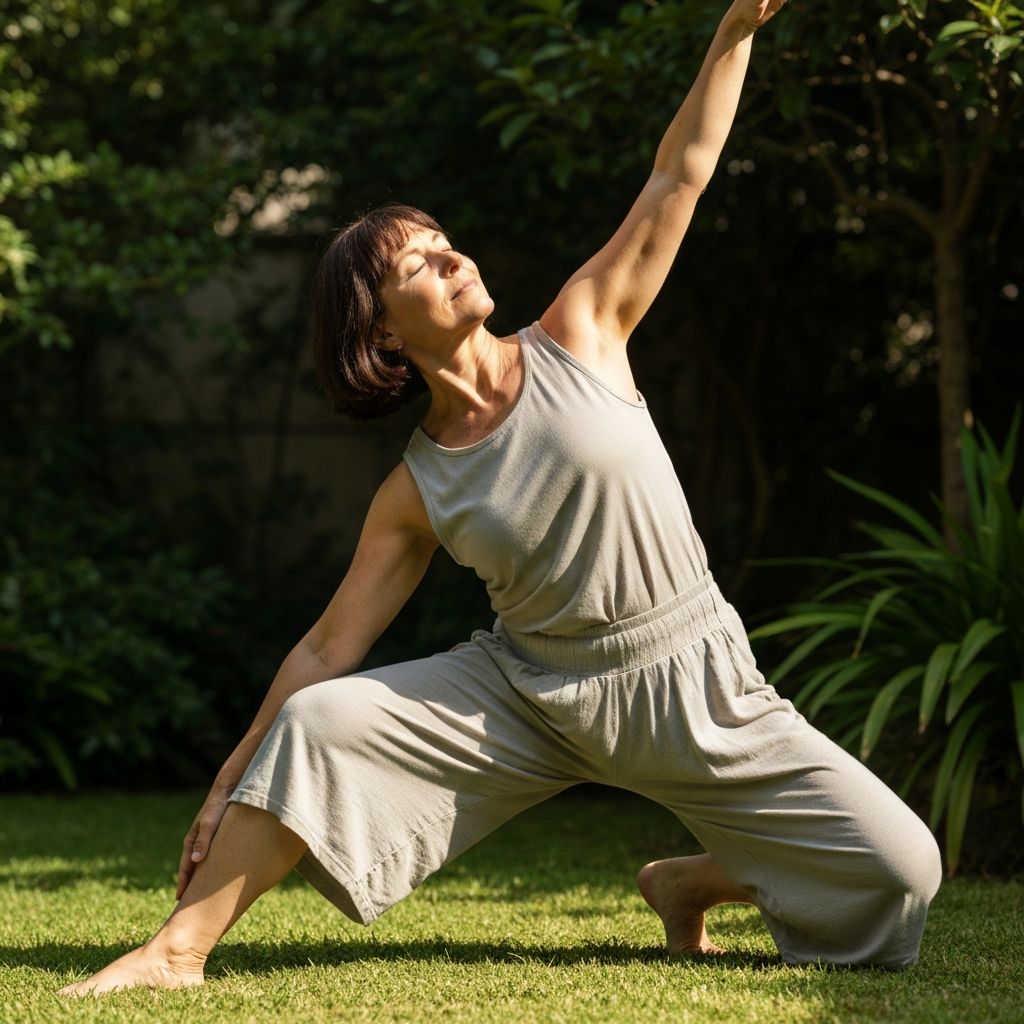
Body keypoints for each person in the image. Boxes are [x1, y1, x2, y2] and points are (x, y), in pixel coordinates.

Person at [59, 0, 942, 996]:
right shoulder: (415, 486)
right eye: (417, 264)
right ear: (385, 333)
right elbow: (324, 649)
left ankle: (686, 880)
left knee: (901, 868)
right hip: (527, 695)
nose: (451, 257)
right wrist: (230, 777)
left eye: (445, 242)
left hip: (691, 679)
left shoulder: (582, 330)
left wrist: (735, 26)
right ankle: (178, 952)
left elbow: (677, 173)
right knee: (323, 719)